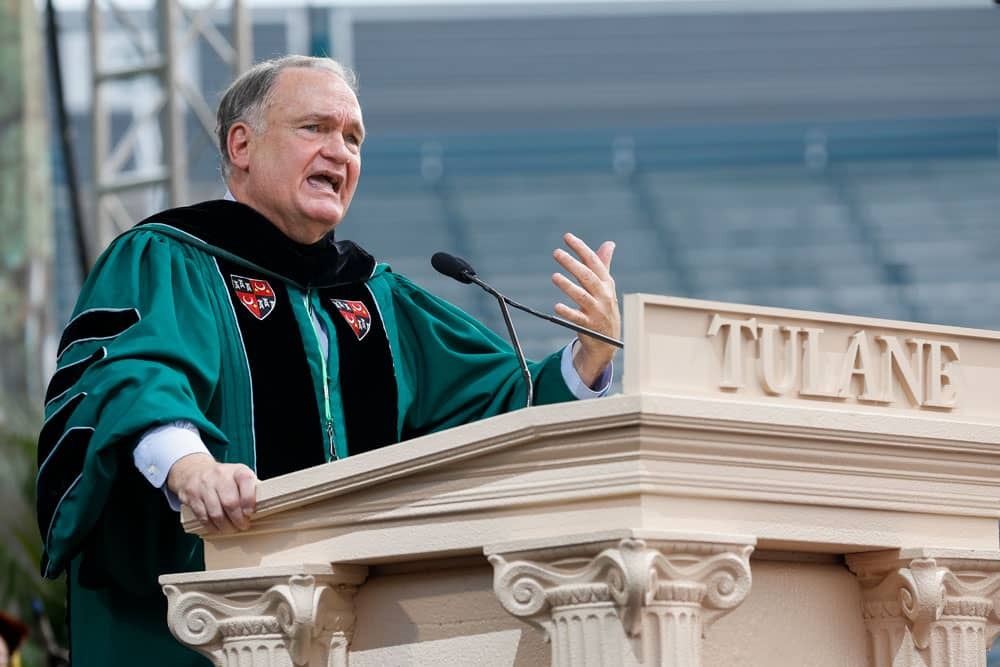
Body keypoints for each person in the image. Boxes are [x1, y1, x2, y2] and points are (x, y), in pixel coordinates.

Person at [36, 55, 620, 666]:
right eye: (315, 128)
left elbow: (503, 402)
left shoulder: (377, 297)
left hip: (363, 631)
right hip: (199, 627)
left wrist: (589, 360)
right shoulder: (166, 260)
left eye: (353, 138)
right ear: (242, 144)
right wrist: (191, 469)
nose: (339, 152)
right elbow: (130, 377)